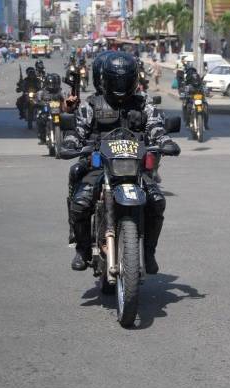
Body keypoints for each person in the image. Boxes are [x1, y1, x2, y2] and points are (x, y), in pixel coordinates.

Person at [65, 52, 180, 273]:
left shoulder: (143, 105)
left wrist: (165, 141)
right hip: (99, 166)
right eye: (115, 79)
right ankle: (82, 249)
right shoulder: (91, 105)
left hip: (134, 167)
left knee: (156, 201)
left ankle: (148, 251)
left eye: (125, 79)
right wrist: (71, 143)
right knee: (80, 202)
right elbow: (77, 132)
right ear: (105, 79)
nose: (120, 84)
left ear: (133, 79)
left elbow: (156, 127)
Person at [36, 73, 69, 144]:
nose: (53, 85)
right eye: (51, 83)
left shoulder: (61, 91)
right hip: (47, 112)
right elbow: (38, 100)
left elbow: (66, 100)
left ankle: (67, 137)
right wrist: (41, 103)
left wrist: (67, 103)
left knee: (68, 119)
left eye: (55, 83)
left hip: (58, 112)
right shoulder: (41, 92)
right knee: (40, 117)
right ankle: (42, 136)